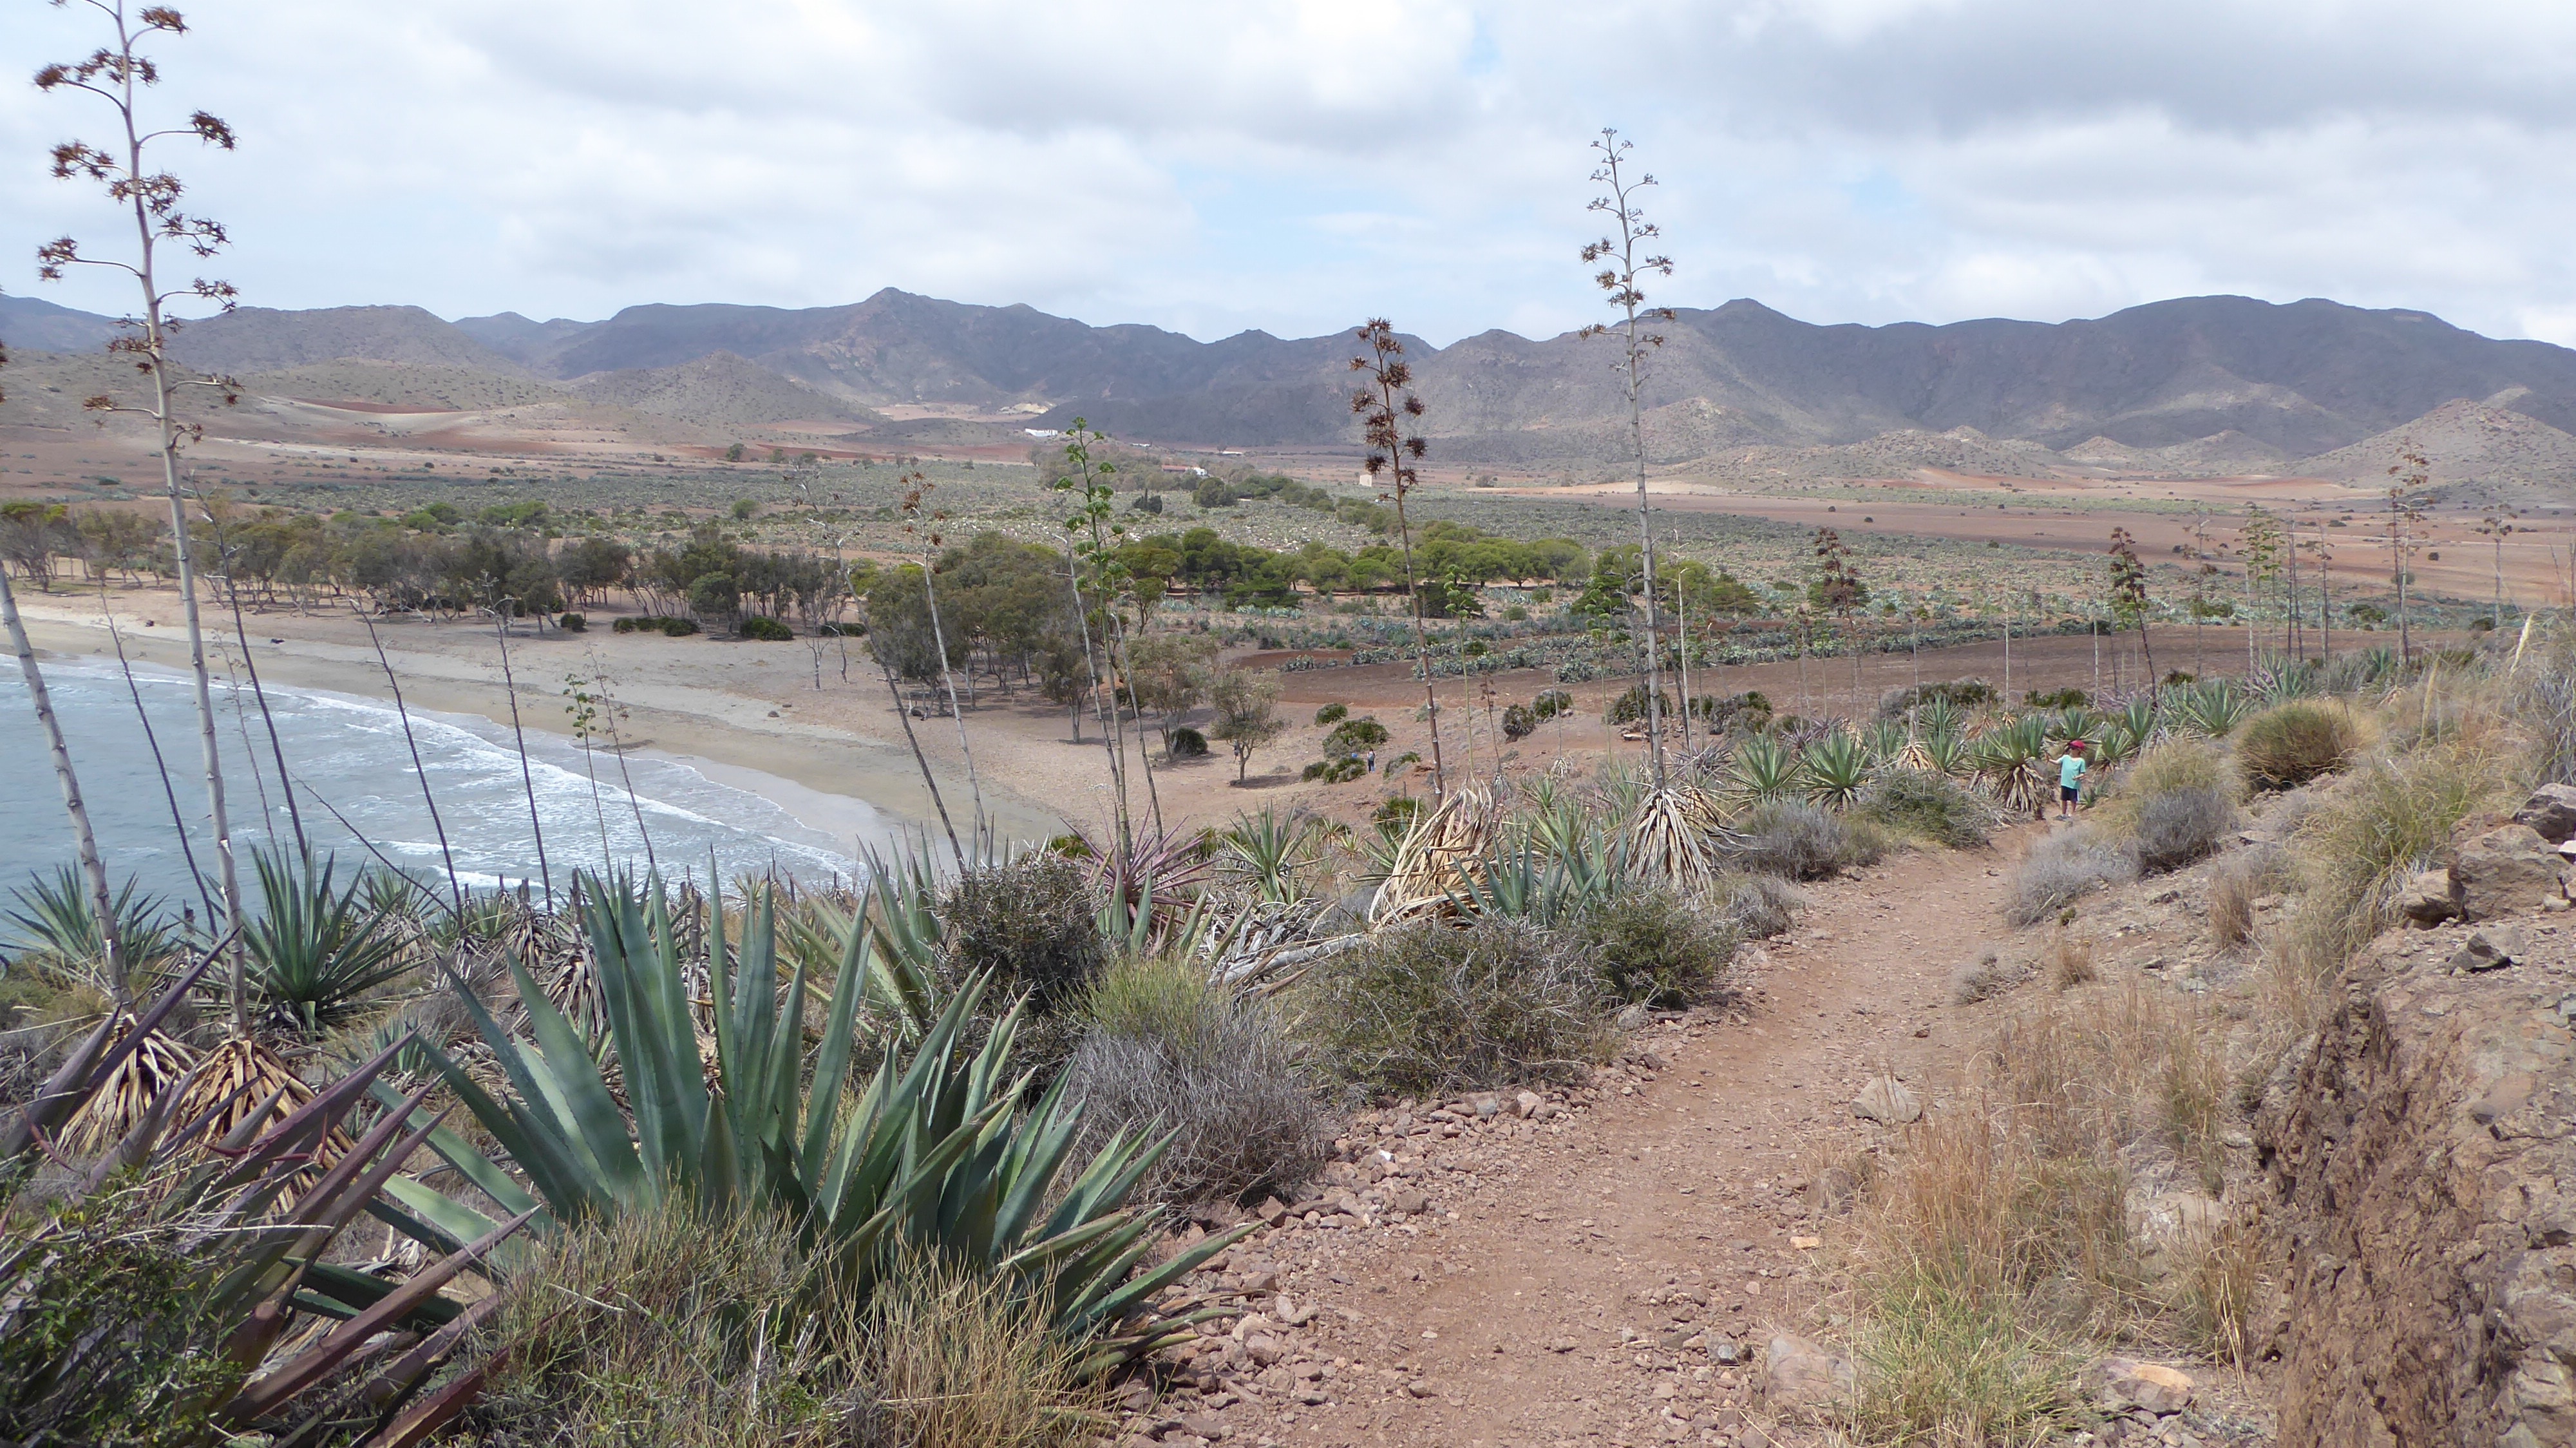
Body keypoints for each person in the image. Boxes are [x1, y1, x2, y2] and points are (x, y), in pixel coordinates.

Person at [2058, 739, 2088, 820]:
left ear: (2078, 750)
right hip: (2065, 783)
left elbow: (2083, 773)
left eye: (2073, 748)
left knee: (2073, 800)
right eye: (2071, 748)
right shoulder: (2066, 757)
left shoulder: (2081, 761)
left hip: (2073, 785)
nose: (2071, 750)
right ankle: (2063, 814)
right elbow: (2057, 762)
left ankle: (2072, 814)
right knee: (2063, 799)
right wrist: (2049, 760)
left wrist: (2078, 777)